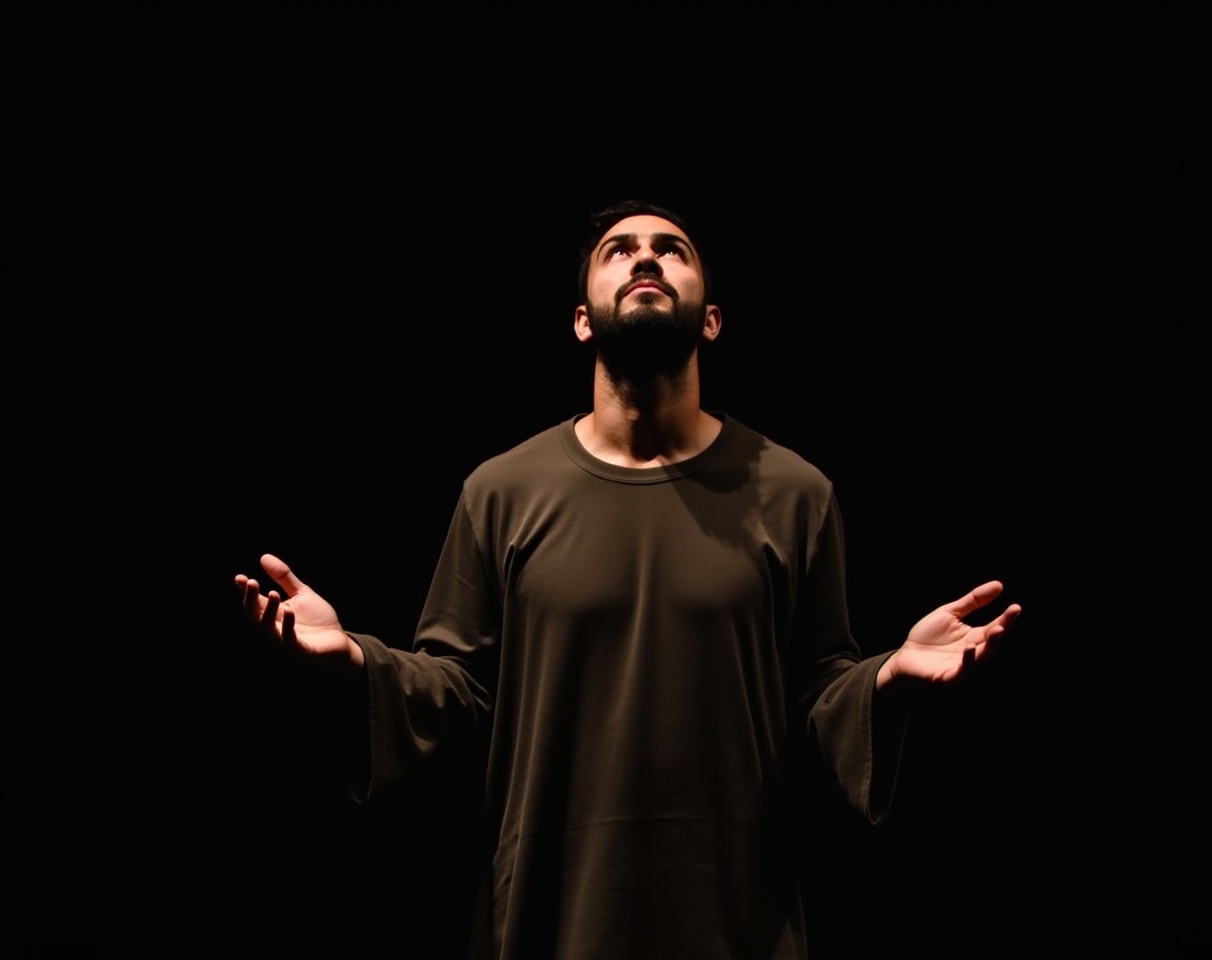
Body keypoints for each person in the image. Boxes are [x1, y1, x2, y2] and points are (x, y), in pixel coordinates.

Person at [234, 199, 1022, 960]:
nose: (646, 256)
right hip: (551, 920)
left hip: (736, 922)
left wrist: (890, 678)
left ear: (711, 317)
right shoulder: (501, 492)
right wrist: (358, 663)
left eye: (671, 249)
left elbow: (820, 697)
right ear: (582, 318)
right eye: (621, 250)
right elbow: (458, 689)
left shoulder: (795, 494)